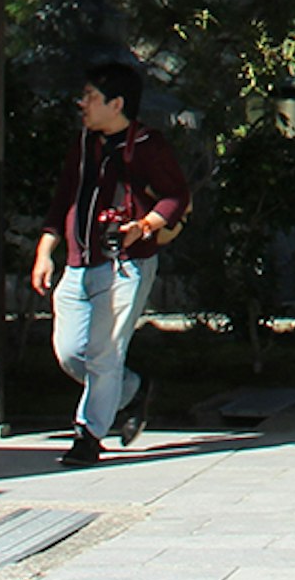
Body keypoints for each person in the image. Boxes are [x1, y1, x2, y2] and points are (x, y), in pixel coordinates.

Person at [30, 58, 189, 467]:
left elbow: (176, 196)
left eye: (90, 97)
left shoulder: (148, 144)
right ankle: (132, 390)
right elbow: (64, 198)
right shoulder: (84, 145)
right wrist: (46, 251)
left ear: (116, 104)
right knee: (69, 353)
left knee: (104, 352)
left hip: (125, 266)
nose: (81, 103)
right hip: (78, 265)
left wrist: (142, 226)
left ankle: (88, 435)